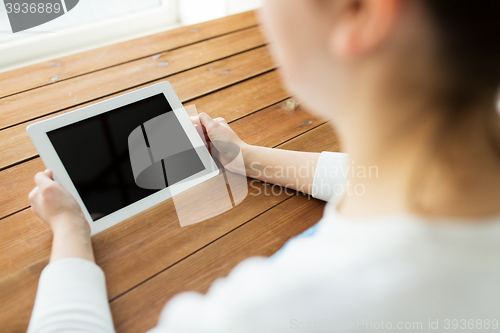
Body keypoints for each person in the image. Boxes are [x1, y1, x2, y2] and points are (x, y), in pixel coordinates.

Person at [27, 0, 500, 332]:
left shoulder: (281, 310)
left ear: (359, 10)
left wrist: (69, 228)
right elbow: (374, 176)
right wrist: (245, 158)